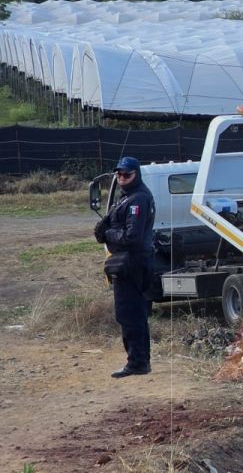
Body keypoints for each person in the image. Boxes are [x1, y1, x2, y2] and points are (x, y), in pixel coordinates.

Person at [93, 157, 156, 378]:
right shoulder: (127, 198)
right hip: (126, 262)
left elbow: (132, 237)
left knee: (131, 314)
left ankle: (138, 362)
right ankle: (136, 360)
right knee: (128, 314)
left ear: (136, 174)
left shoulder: (138, 199)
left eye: (126, 174)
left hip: (133, 263)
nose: (121, 178)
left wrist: (108, 233)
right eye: (119, 174)